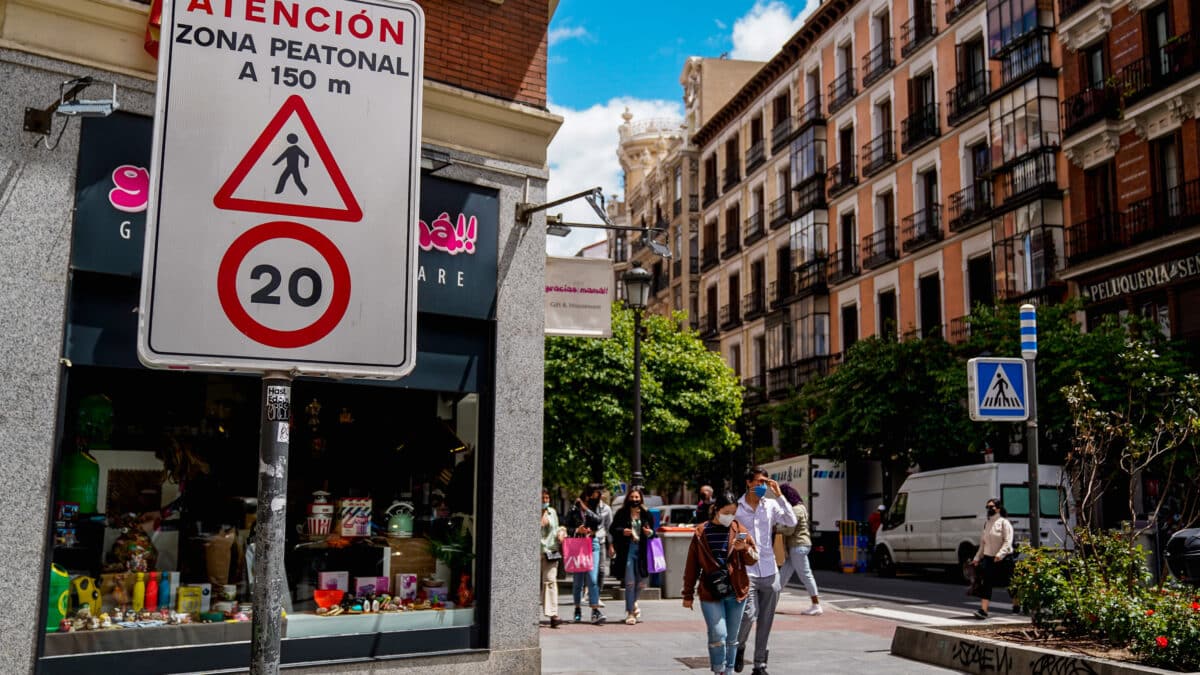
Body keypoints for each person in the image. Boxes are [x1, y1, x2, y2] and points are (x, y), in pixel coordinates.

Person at [682, 490, 759, 675]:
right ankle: (719, 670)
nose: (730, 517)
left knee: (732, 638)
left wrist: (745, 549)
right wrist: (687, 594)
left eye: (733, 513)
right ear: (716, 509)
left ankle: (729, 670)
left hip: (736, 590)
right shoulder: (701, 532)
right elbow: (692, 565)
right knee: (718, 634)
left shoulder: (739, 530)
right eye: (726, 512)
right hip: (710, 590)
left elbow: (754, 558)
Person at [734, 467, 796, 675]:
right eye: (758, 482)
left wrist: (779, 496)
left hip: (770, 570)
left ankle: (760, 664)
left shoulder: (770, 505)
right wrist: (740, 543)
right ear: (748, 483)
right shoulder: (738, 508)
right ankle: (739, 646)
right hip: (747, 570)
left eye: (765, 483)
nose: (762, 486)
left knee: (766, 620)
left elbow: (791, 521)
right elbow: (731, 536)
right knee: (749, 615)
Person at [610, 487, 656, 625]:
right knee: (630, 582)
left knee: (641, 582)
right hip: (627, 550)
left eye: (637, 497)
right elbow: (612, 529)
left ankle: (634, 602)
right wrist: (622, 531)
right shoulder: (622, 513)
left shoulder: (646, 514)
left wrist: (650, 533)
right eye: (632, 497)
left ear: (640, 499)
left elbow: (654, 532)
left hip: (642, 551)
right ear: (628, 498)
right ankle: (630, 612)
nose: (635, 500)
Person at [775, 483, 822, 616]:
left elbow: (789, 530)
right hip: (799, 546)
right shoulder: (801, 507)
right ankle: (770, 603)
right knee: (783, 576)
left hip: (797, 546)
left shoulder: (795, 510)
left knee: (805, 575)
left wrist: (776, 528)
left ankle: (816, 604)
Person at [564, 487, 606, 624]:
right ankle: (577, 608)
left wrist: (585, 508)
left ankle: (595, 610)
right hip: (578, 544)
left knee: (593, 578)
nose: (597, 498)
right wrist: (577, 529)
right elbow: (567, 526)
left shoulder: (595, 507)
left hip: (592, 543)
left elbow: (599, 521)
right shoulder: (574, 509)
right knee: (578, 581)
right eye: (595, 495)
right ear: (587, 495)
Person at [970, 498, 1014, 620]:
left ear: (998, 508)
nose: (989, 509)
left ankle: (1016, 603)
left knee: (1010, 583)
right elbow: (983, 543)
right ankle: (983, 610)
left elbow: (1008, 541)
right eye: (987, 507)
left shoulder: (1004, 523)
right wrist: (977, 557)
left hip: (1004, 559)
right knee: (986, 583)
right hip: (989, 559)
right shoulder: (987, 524)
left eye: (991, 507)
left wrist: (1000, 554)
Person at [540, 489, 564, 628]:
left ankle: (553, 615)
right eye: (542, 498)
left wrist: (561, 533)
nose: (545, 501)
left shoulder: (552, 512)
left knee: (550, 582)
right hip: (535, 552)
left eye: (547, 498)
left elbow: (556, 529)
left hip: (551, 551)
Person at [590, 484, 614, 608]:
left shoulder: (606, 509)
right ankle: (588, 593)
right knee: (589, 570)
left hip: (601, 541)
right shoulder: (587, 506)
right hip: (587, 542)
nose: (597, 495)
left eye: (599, 492)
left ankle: (596, 596)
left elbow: (609, 528)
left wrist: (611, 545)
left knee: (601, 570)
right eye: (595, 492)